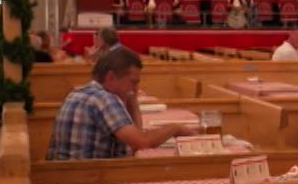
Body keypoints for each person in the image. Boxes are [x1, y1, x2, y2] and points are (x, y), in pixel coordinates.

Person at [47, 48, 196, 159]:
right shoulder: (105, 99)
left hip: (64, 177)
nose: (136, 89)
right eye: (133, 82)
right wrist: (175, 128)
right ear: (111, 77)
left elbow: (136, 141)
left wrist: (132, 100)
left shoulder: (77, 92)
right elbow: (141, 143)